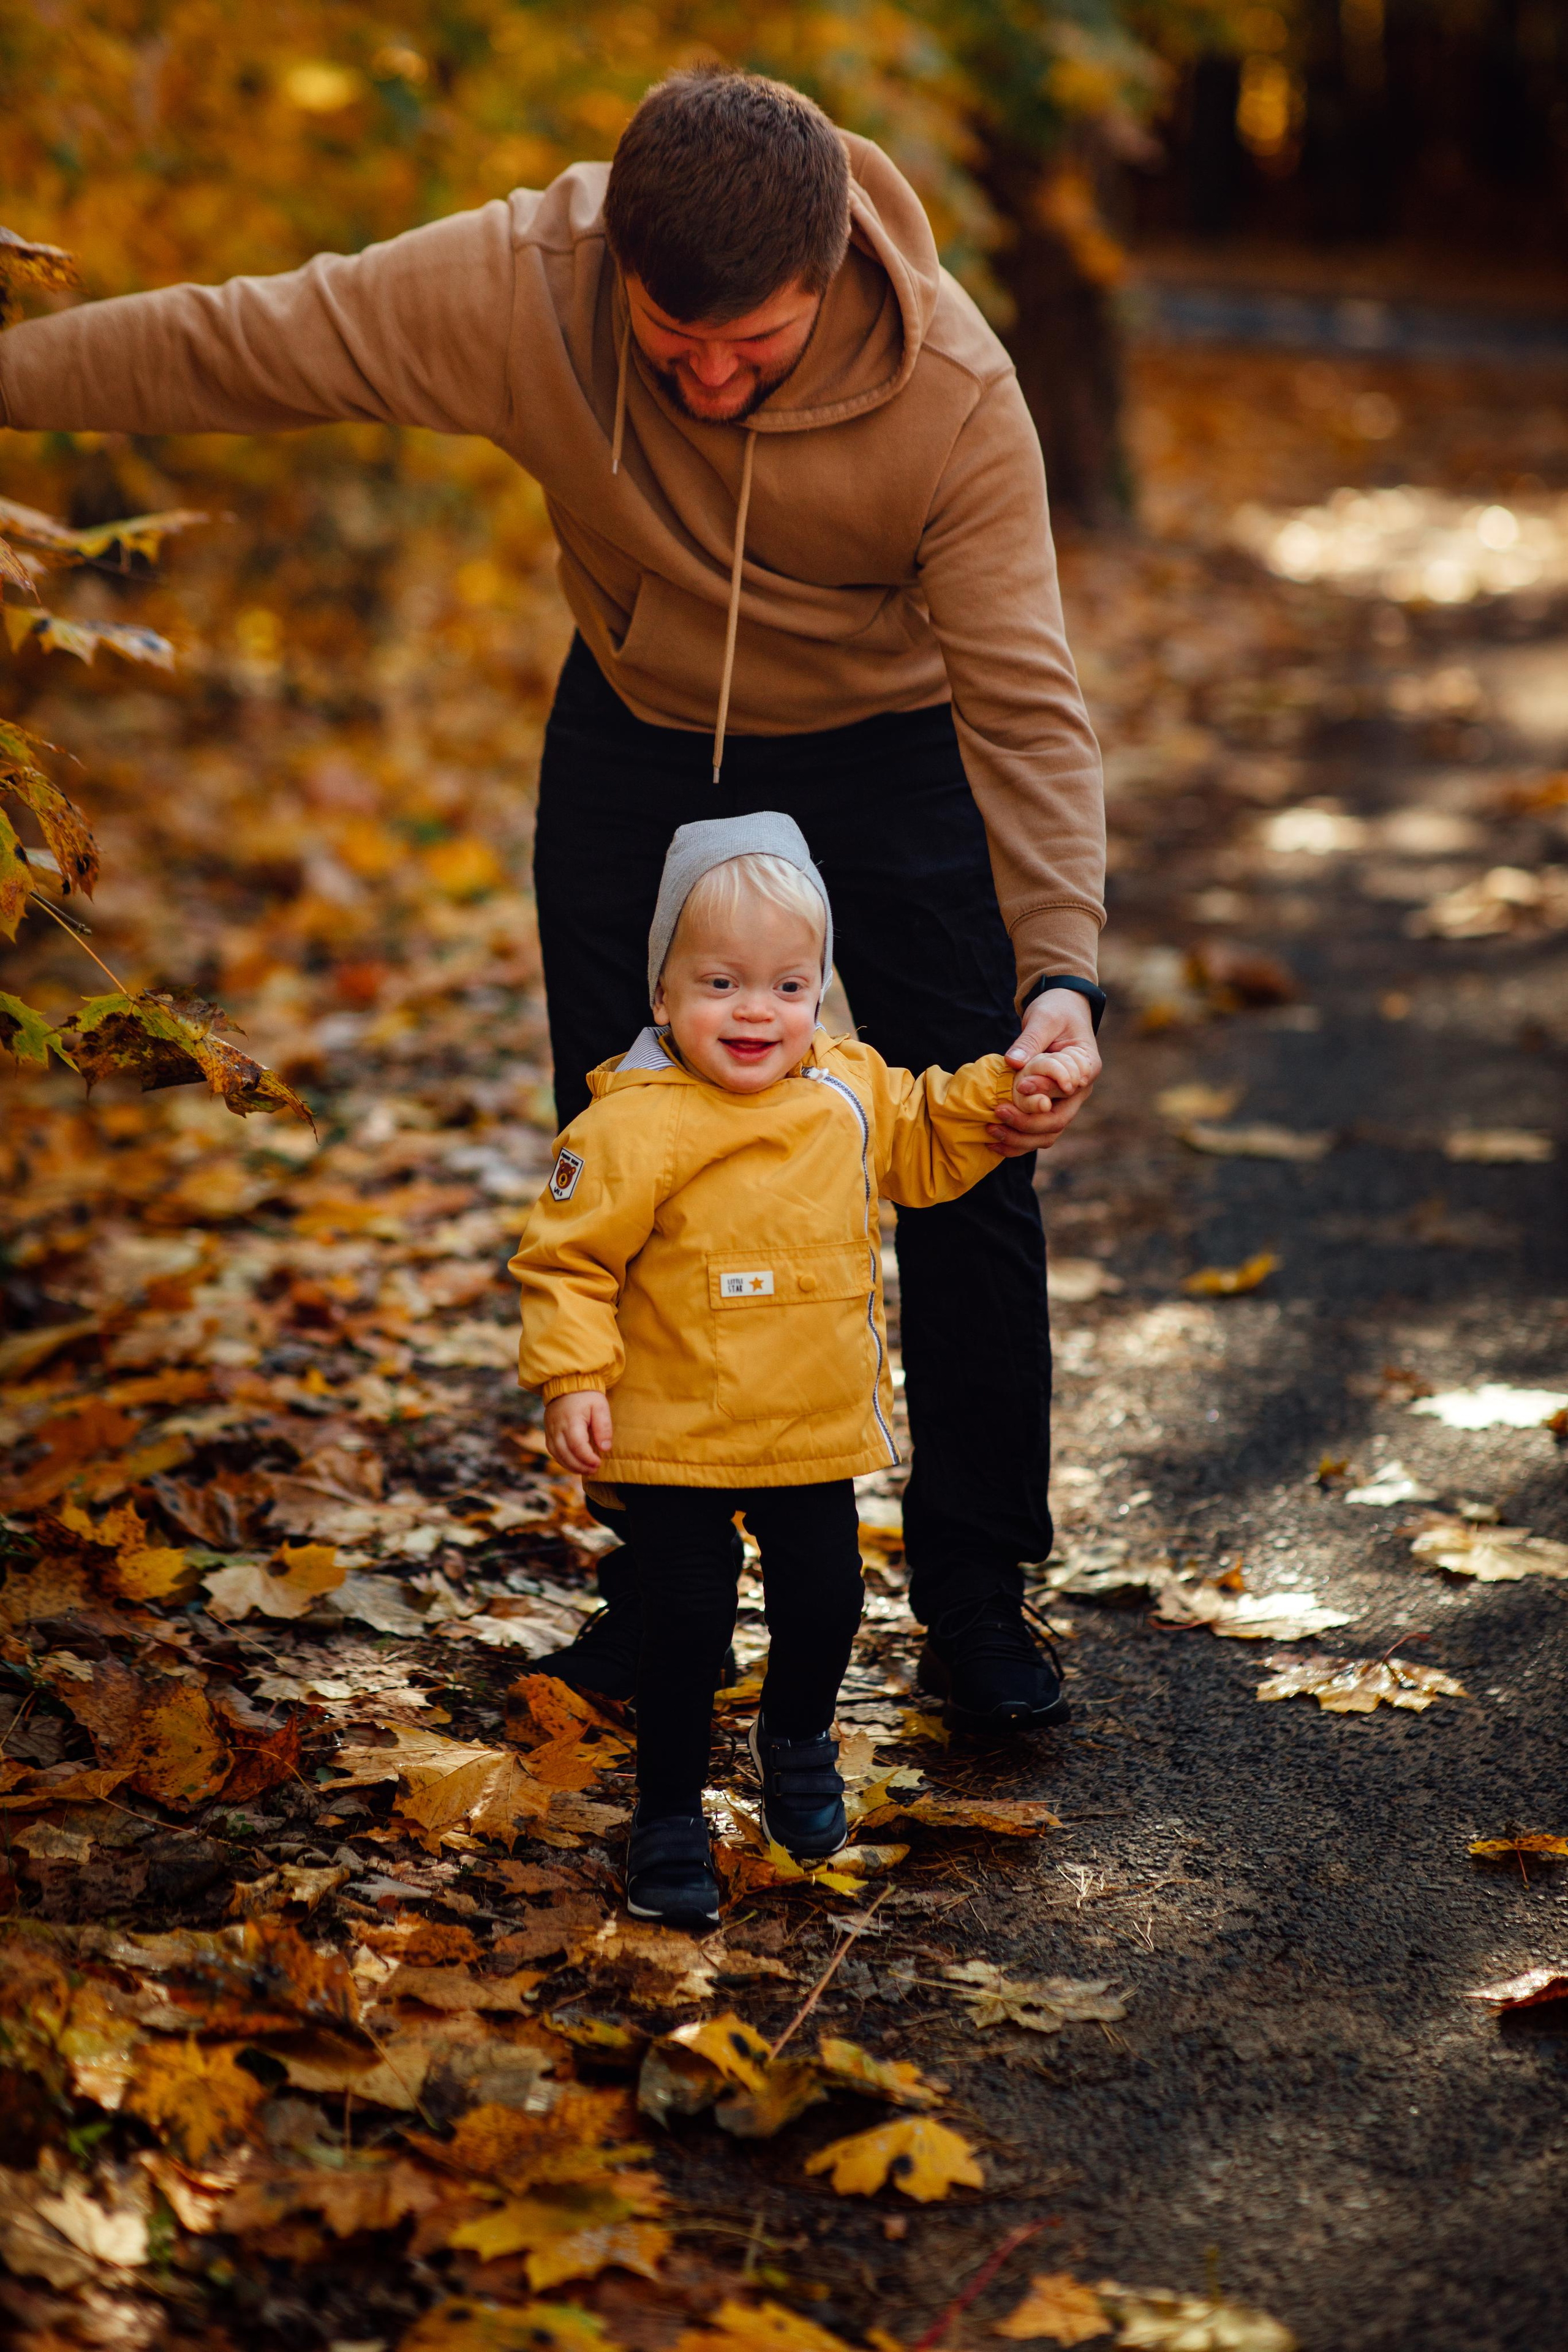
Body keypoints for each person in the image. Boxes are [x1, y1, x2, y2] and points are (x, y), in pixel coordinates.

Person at [0, 64, 1107, 1727]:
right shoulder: (522, 288)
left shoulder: (954, 388)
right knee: (628, 1148)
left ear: (831, 273)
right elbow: (244, 337)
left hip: (888, 742)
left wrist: (1065, 977)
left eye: (762, 345)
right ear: (618, 273)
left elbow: (1023, 698)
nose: (716, 380)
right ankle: (666, 1591)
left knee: (969, 1149)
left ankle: (974, 1593)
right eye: (679, 343)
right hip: (640, 734)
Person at [510, 814, 1081, 1925]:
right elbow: (566, 1258)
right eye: (720, 982)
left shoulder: (848, 1091)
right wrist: (574, 1377)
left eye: (786, 983)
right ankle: (669, 1814)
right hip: (675, 1436)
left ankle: (799, 1737)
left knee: (825, 1601)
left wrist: (999, 1096)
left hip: (807, 1429)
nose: (756, 1011)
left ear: (820, 988)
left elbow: (924, 1132)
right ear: (663, 996)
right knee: (685, 1626)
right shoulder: (629, 1126)